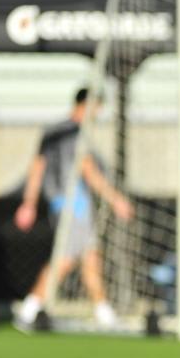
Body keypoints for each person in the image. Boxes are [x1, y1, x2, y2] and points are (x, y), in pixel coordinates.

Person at [14, 88, 134, 331]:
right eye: (97, 108)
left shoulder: (52, 131)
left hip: (59, 204)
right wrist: (115, 200)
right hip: (74, 204)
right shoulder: (75, 134)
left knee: (90, 258)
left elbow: (37, 168)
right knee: (65, 259)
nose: (98, 114)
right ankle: (29, 309)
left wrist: (29, 203)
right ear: (86, 105)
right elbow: (88, 171)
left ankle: (103, 312)